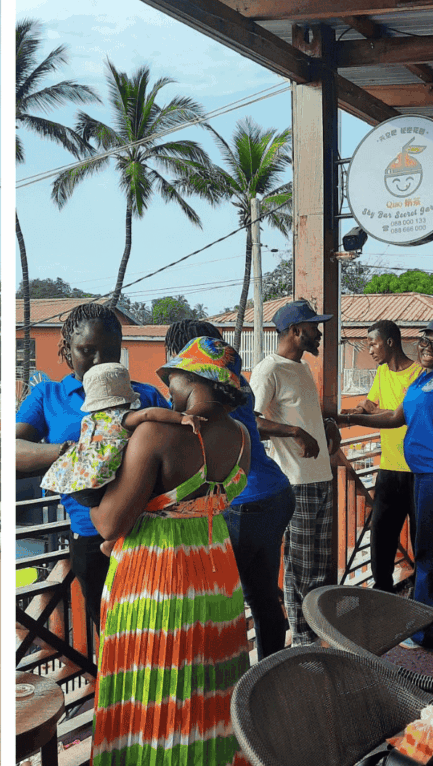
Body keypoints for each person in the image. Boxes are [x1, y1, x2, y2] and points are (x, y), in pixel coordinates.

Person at [90, 337, 251, 765]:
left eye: (174, 377)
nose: (169, 387)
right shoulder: (241, 438)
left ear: (195, 379)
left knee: (152, 696)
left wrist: (92, 497)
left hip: (156, 586)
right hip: (217, 582)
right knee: (207, 696)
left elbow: (109, 522)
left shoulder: (156, 432)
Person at [15, 302, 170, 630]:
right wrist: (75, 452)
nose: (98, 361)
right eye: (87, 350)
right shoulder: (49, 395)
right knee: (108, 628)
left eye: (110, 351)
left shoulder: (146, 396)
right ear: (67, 350)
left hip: (152, 530)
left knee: (154, 626)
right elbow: (12, 451)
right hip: (90, 533)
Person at [165, 319, 296, 659]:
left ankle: (224, 687)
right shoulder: (238, 385)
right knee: (262, 592)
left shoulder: (201, 395)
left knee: (217, 599)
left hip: (242, 503)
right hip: (275, 493)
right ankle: (270, 674)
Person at [340, 316, 433, 650]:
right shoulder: (426, 378)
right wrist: (348, 418)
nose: (426, 347)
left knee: (427, 553)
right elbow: (397, 417)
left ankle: (429, 634)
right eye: (424, 341)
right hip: (424, 474)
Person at [250, 299, 342, 647]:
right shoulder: (267, 370)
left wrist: (327, 423)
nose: (319, 333)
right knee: (301, 569)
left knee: (319, 568)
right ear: (295, 331)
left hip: (321, 478)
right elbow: (252, 422)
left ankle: (318, 635)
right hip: (296, 481)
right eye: (314, 328)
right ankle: (303, 641)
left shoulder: (301, 367)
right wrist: (294, 433)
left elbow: (303, 413)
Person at [41, 362, 200, 507]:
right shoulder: (120, 417)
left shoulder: (89, 420)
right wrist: (181, 418)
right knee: (141, 500)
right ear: (126, 399)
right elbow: (147, 414)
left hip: (78, 482)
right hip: (100, 480)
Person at [346, 319, 422, 592]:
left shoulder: (418, 374)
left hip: (417, 469)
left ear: (390, 342)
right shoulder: (381, 373)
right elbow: (376, 407)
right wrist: (366, 407)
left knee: (420, 537)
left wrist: (357, 416)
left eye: (373, 343)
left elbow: (398, 417)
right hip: (388, 468)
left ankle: (424, 598)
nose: (369, 350)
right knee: (381, 536)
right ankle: (382, 593)